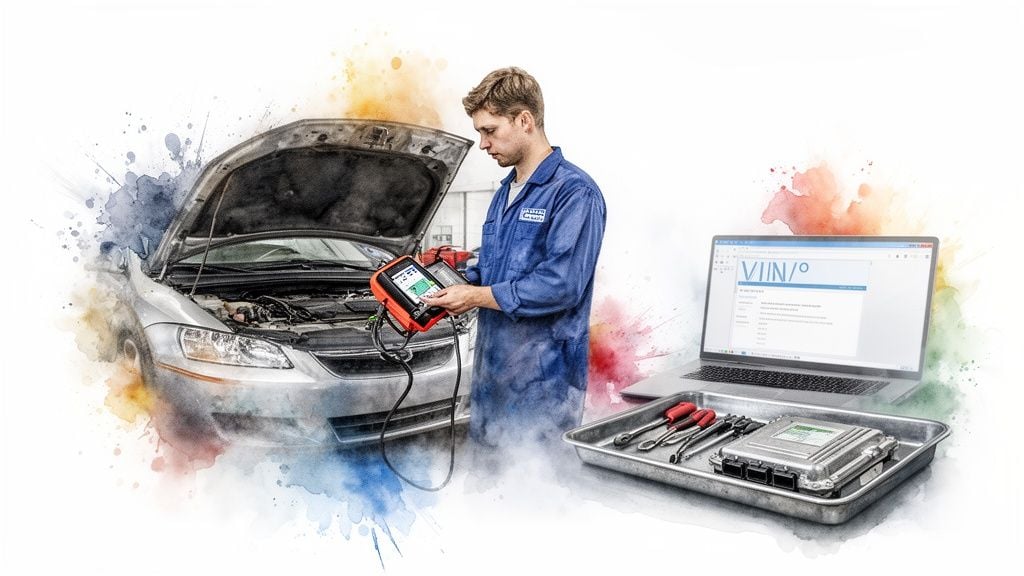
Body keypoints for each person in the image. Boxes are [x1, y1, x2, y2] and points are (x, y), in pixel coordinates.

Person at [421, 67, 606, 449]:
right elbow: (489, 271)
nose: (483, 144)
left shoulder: (574, 194)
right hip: (491, 380)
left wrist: (473, 297)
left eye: (490, 130)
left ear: (525, 120)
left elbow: (561, 285)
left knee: (531, 497)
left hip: (543, 391)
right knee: (486, 494)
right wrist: (449, 282)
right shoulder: (504, 193)